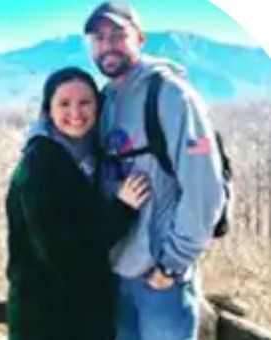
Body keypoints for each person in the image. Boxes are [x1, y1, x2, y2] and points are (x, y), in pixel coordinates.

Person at [84, 3, 226, 340]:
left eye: (118, 35)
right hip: (118, 276)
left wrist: (171, 265)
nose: (108, 45)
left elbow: (205, 190)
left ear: (140, 38)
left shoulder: (171, 96)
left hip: (161, 284)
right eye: (99, 37)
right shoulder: (104, 100)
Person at [5, 67, 151, 340]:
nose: (76, 113)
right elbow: (60, 250)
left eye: (85, 102)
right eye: (64, 104)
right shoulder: (41, 164)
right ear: (48, 110)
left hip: (81, 311)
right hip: (47, 317)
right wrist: (122, 209)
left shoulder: (86, 156)